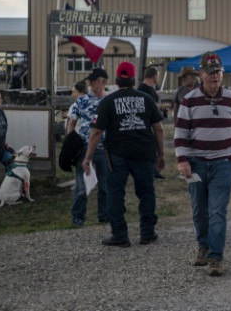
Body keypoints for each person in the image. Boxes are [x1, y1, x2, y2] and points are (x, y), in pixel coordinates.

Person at [174, 51, 231, 277]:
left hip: (223, 163)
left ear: (222, 73)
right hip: (196, 163)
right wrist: (182, 160)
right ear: (200, 74)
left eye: (218, 72)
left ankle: (216, 258)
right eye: (210, 73)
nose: (214, 77)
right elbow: (180, 134)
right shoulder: (189, 100)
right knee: (199, 211)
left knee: (218, 211)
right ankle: (203, 246)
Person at [83, 61, 165, 248]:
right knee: (146, 192)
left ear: (117, 80)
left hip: (117, 155)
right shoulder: (147, 99)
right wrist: (161, 155)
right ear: (134, 79)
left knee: (116, 193)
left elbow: (96, 132)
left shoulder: (108, 101)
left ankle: (120, 235)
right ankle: (147, 232)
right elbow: (159, 128)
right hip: (144, 152)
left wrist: (87, 157)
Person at [68, 68, 109, 226]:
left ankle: (104, 216)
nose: (91, 84)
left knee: (105, 186)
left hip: (105, 148)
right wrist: (70, 141)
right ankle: (77, 217)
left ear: (104, 82)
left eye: (94, 80)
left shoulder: (109, 100)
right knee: (81, 187)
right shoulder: (82, 100)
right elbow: (71, 122)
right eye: (90, 81)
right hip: (84, 147)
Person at [138, 66, 166, 179]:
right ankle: (151, 171)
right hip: (146, 123)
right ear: (154, 76)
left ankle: (154, 170)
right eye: (158, 76)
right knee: (150, 147)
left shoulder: (149, 89)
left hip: (151, 121)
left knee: (153, 146)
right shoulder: (143, 89)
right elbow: (149, 105)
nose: (158, 78)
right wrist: (161, 106)